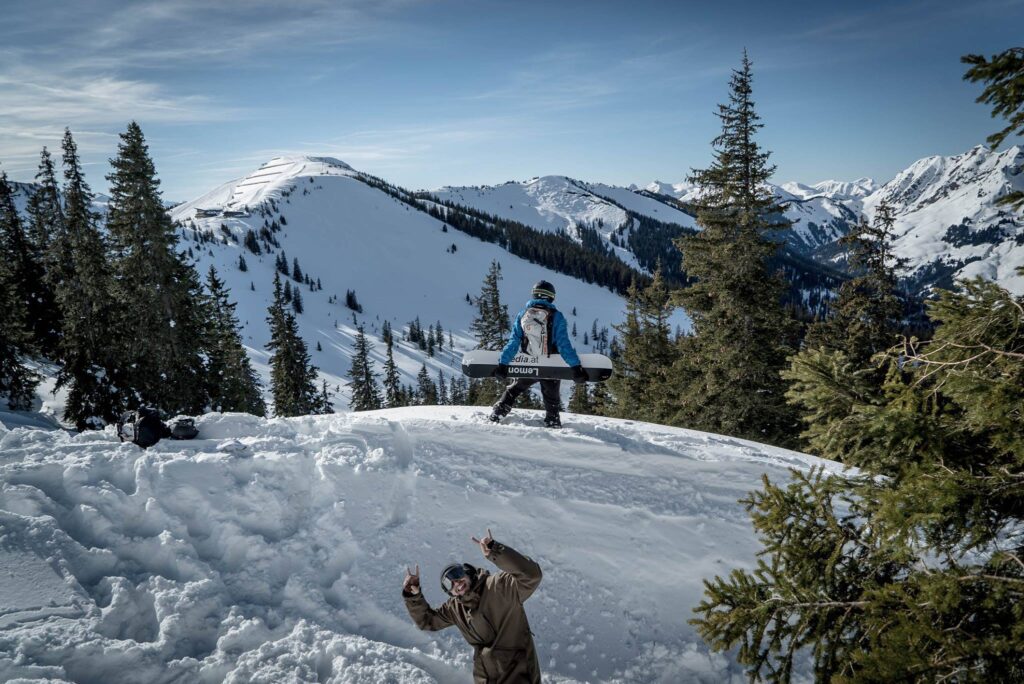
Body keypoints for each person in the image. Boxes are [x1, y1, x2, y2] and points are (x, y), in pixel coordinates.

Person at [403, 529, 543, 684]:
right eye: (449, 583)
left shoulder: (499, 586)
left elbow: (532, 575)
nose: (456, 583)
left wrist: (495, 551)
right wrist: (413, 596)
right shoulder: (455, 608)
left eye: (456, 574)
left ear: (467, 572)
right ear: (449, 592)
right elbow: (427, 621)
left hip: (518, 676)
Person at [489, 280, 586, 428]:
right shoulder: (556, 316)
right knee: (552, 399)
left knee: (514, 390)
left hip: (529, 363)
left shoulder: (523, 314)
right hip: (550, 365)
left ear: (534, 295)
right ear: (551, 297)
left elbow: (514, 342)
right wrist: (575, 367)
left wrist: (503, 364)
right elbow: (563, 344)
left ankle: (497, 414)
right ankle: (552, 423)